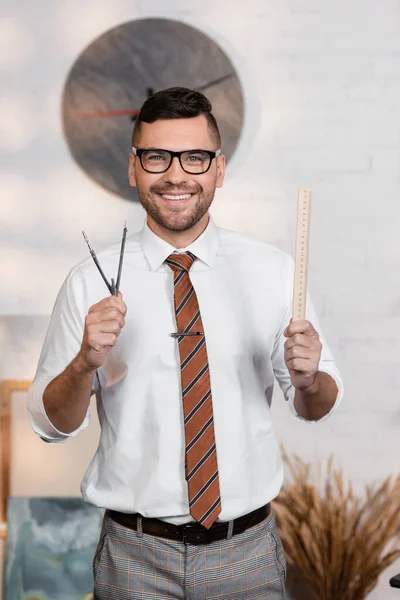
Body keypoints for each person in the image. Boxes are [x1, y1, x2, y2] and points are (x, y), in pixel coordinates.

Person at [27, 87, 343, 600]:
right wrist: (84, 363)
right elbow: (51, 427)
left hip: (249, 554)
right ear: (134, 169)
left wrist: (309, 379)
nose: (176, 175)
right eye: (157, 157)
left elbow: (315, 407)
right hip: (133, 558)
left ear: (218, 169)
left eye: (194, 157)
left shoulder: (274, 272)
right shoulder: (90, 281)